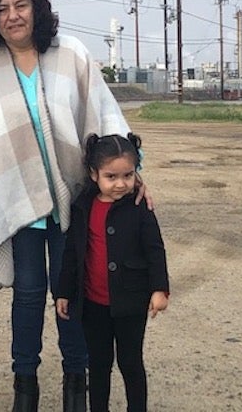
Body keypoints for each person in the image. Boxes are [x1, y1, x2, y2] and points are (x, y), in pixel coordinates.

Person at [0, 0, 148, 412]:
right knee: (28, 295)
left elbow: (103, 115)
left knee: (71, 295)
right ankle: (26, 388)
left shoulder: (70, 54)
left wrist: (135, 174)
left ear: (36, 8)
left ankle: (76, 388)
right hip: (15, 205)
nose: (13, 16)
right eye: (1, 9)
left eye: (21, 5)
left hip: (72, 203)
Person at [55, 133, 169, 412]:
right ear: (94, 175)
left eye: (128, 175)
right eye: (111, 176)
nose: (121, 184)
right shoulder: (83, 206)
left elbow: (155, 249)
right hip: (93, 305)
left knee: (130, 362)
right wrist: (64, 291)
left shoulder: (140, 207)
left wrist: (159, 289)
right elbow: (72, 253)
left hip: (130, 303)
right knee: (98, 364)